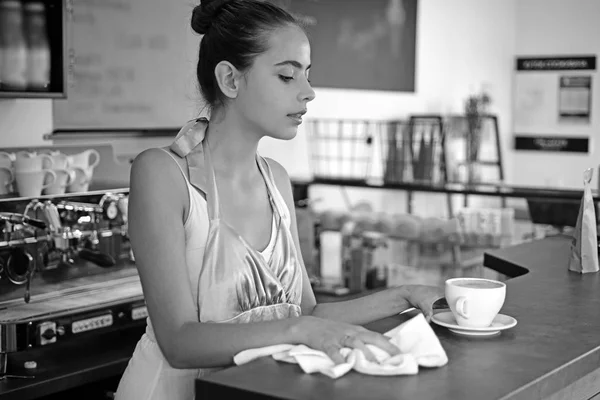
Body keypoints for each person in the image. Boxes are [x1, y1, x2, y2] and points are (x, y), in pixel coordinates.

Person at [114, 0, 444, 398]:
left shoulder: (276, 179)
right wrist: (301, 330)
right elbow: (180, 342)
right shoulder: (162, 173)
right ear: (230, 80)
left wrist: (405, 295)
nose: (308, 92)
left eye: (306, 75)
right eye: (288, 76)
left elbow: (305, 312)